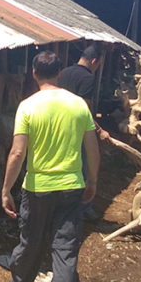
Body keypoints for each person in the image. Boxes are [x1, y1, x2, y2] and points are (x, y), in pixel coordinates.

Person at [1, 50, 100, 282]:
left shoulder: (27, 107)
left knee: (30, 242)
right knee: (65, 253)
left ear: (34, 73)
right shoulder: (79, 105)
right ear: (59, 73)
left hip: (37, 187)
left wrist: (6, 189)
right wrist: (92, 181)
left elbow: (18, 153)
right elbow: (92, 150)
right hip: (71, 187)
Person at [57, 45, 109, 220]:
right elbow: (84, 110)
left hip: (58, 125)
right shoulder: (88, 78)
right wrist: (100, 130)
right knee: (84, 166)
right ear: (94, 61)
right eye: (98, 64)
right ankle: (84, 208)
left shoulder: (63, 73)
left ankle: (59, 203)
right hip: (77, 128)